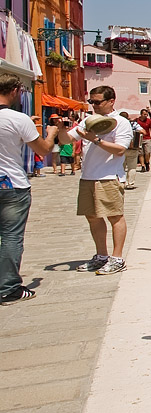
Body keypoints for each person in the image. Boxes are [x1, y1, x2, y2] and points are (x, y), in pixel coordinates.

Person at [0, 74, 61, 302]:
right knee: (11, 237)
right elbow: (44, 150)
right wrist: (51, 134)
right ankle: (8, 288)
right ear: (15, 90)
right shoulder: (18, 118)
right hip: (11, 184)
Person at [69, 86, 134, 275]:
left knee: (115, 215)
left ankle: (117, 258)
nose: (94, 105)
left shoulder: (120, 122)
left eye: (98, 102)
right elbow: (67, 139)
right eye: (92, 102)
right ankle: (101, 256)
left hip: (108, 176)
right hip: (88, 176)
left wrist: (95, 139)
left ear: (111, 101)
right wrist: (59, 129)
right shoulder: (88, 120)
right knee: (92, 216)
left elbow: (120, 150)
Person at [120, 111, 141, 188]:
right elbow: (142, 131)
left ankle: (121, 182)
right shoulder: (133, 124)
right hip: (132, 148)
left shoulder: (117, 124)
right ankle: (130, 183)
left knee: (120, 166)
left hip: (121, 147)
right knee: (132, 167)